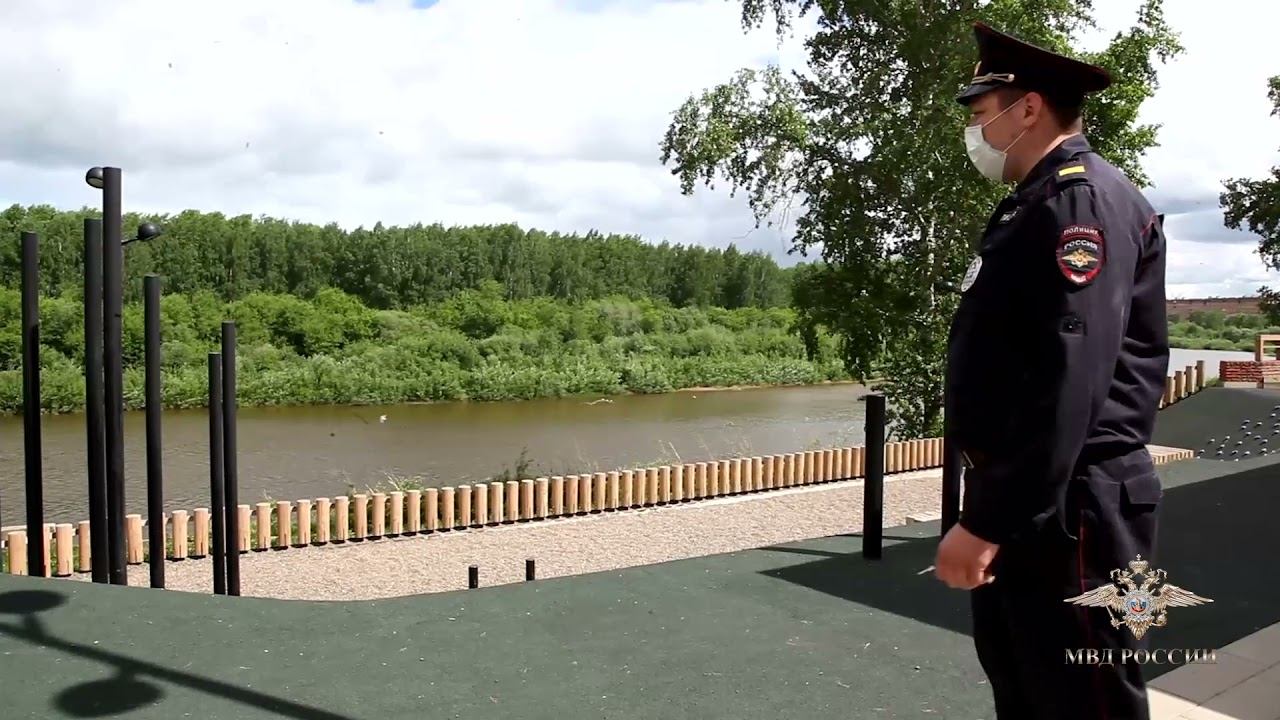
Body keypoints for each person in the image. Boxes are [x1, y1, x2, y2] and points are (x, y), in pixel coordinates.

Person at [932, 20, 1170, 720]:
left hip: (1073, 510)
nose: (973, 131)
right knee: (1030, 691)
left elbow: (1071, 377)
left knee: (1084, 700)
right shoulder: (1041, 201)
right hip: (1042, 503)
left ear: (1028, 107)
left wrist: (989, 521)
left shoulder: (1078, 203)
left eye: (980, 113)